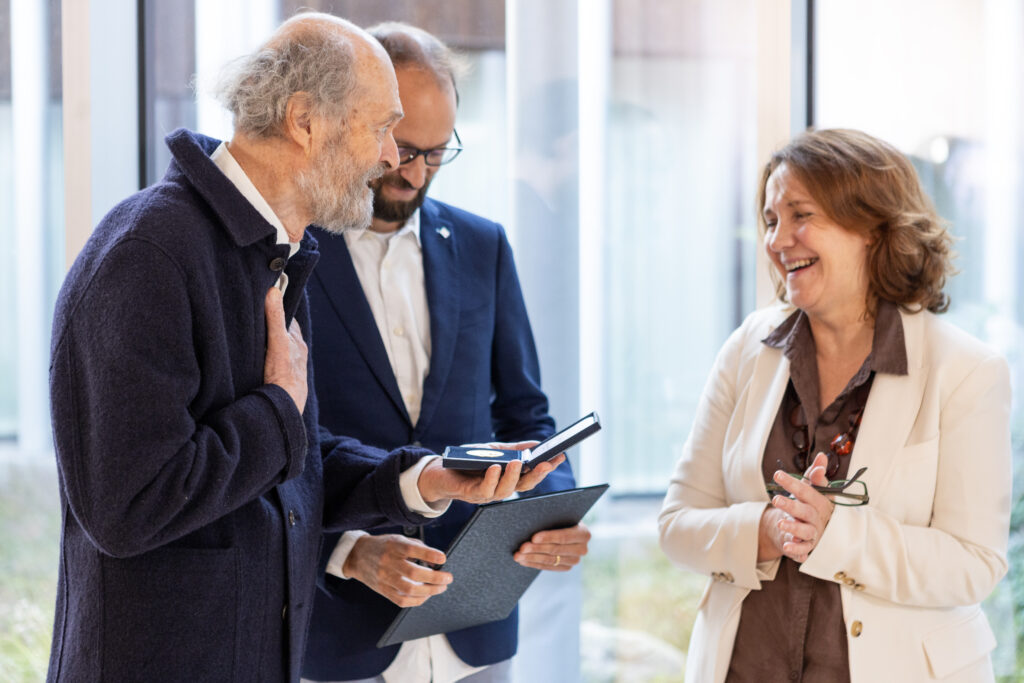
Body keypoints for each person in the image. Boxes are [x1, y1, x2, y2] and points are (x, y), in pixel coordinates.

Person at [46, 13, 564, 683]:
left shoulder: (277, 255)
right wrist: (274, 407)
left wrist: (425, 478)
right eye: (380, 128)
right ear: (304, 120)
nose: (388, 157)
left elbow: (288, 460)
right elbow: (127, 504)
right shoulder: (146, 254)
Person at [658, 129, 1011, 682]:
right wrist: (765, 529)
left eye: (801, 215)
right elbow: (677, 523)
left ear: (873, 228)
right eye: (771, 220)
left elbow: (974, 563)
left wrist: (836, 536)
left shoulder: (967, 371)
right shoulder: (747, 348)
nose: (778, 240)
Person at [299, 22, 588, 683]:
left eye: (436, 152)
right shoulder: (288, 255)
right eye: (401, 148)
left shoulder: (484, 246)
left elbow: (526, 417)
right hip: (341, 632)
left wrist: (555, 512)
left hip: (475, 631)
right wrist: (347, 549)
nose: (415, 173)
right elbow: (280, 453)